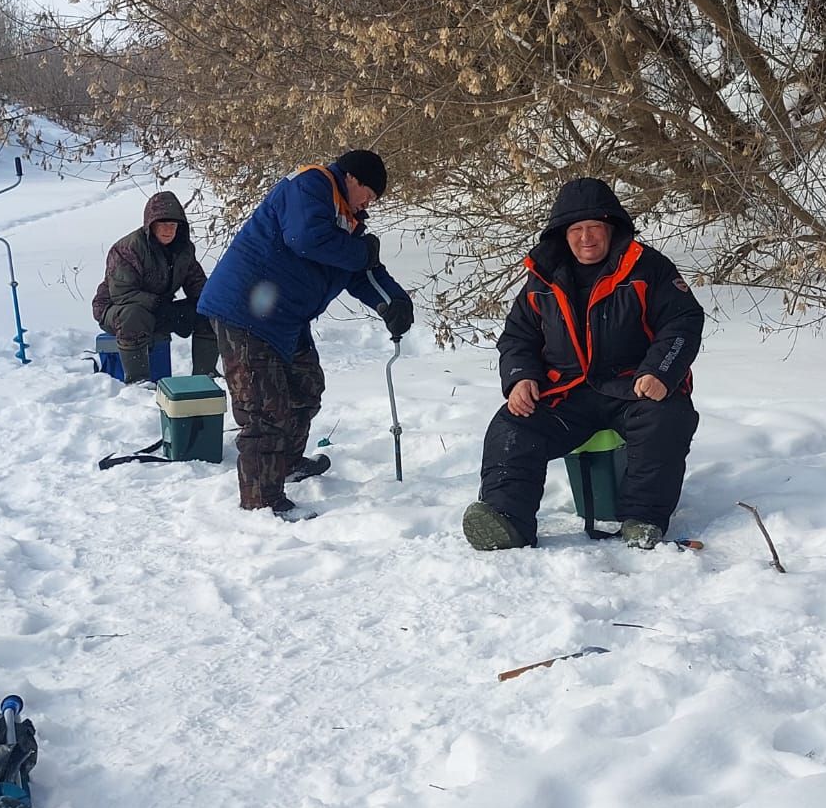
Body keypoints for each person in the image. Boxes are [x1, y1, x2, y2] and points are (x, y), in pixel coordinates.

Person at [463, 178, 704, 551]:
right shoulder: (541, 278)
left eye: (594, 227)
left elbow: (683, 321)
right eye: (576, 229)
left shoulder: (647, 267)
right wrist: (520, 378)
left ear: (611, 229)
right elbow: (518, 338)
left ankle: (643, 520)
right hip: (567, 393)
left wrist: (660, 371)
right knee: (513, 424)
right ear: (563, 234)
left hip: (633, 388)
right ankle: (506, 519)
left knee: (666, 419)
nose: (586, 238)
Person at [198, 150, 415, 521]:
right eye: (370, 195)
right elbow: (306, 238)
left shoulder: (348, 223)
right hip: (244, 311)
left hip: (284, 320)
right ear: (354, 180)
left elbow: (361, 270)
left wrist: (392, 302)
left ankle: (285, 463)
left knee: (305, 387)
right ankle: (262, 501)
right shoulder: (310, 184)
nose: (369, 204)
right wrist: (360, 254)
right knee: (265, 410)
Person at [91, 191, 218, 383]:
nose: (168, 230)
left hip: (160, 309)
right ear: (151, 225)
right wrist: (159, 305)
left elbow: (197, 284)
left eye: (173, 225)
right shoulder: (128, 248)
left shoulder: (183, 249)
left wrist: (213, 303)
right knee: (134, 315)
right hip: (116, 310)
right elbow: (122, 294)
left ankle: (205, 376)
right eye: (162, 224)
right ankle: (138, 381)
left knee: (208, 311)